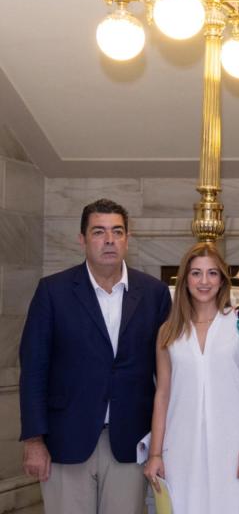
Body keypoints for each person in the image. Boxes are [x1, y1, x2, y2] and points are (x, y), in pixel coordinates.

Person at [19, 199, 172, 514]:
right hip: (66, 441)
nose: (109, 240)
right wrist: (34, 441)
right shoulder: (53, 291)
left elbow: (168, 372)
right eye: (99, 232)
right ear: (83, 239)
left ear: (127, 238)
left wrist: (161, 444)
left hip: (129, 443)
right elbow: (34, 369)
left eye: (117, 232)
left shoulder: (153, 293)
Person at [144, 243, 239, 513]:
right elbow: (162, 395)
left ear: (222, 279)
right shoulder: (169, 332)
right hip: (180, 447)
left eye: (212, 273)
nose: (204, 281)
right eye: (196, 273)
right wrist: (154, 454)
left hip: (235, 445)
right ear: (185, 279)